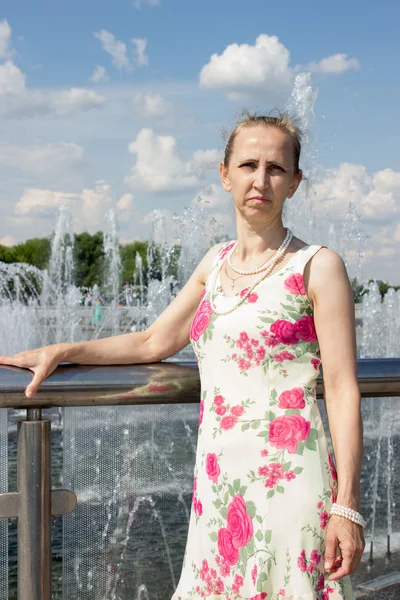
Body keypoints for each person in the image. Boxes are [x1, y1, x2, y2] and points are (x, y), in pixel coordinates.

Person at [0, 111, 364, 599]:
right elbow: (153, 341)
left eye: (276, 169)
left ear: (295, 183)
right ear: (224, 174)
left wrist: (346, 505)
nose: (260, 180)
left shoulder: (318, 266)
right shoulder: (214, 264)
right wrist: (64, 350)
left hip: (290, 484)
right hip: (217, 486)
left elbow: (341, 388)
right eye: (248, 165)